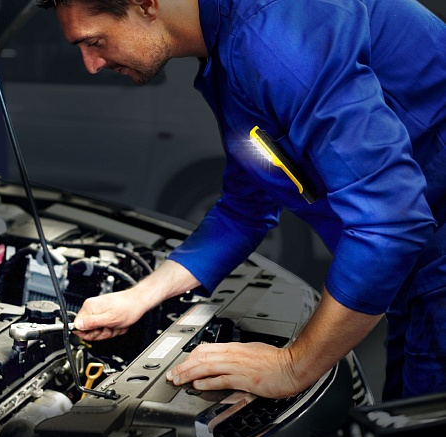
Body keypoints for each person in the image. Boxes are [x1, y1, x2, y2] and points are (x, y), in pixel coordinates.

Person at [36, 0, 446, 401]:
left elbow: (389, 222)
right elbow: (243, 208)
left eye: (94, 41)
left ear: (145, 4)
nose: (91, 64)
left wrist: (293, 366)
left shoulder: (275, 36)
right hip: (412, 275)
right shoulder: (230, 54)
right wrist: (139, 297)